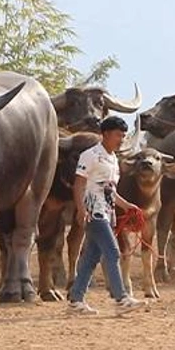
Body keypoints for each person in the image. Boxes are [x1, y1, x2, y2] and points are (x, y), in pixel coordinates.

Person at [68, 116, 145, 315]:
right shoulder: (90, 155)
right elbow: (79, 184)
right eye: (118, 135)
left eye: (123, 136)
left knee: (92, 257)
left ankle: (76, 299)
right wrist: (80, 209)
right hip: (94, 212)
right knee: (112, 251)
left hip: (107, 212)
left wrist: (128, 206)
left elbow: (110, 191)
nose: (121, 139)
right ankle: (121, 297)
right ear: (106, 134)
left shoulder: (113, 159)